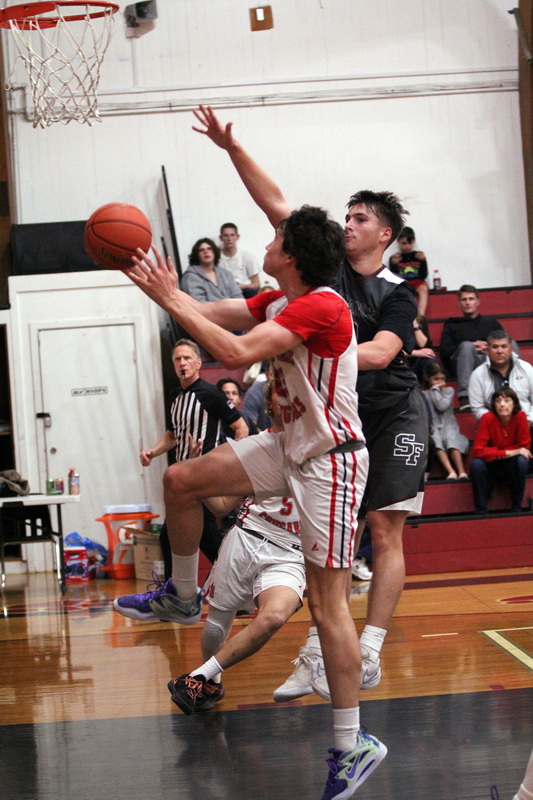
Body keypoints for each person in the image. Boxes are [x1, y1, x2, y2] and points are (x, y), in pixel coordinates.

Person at [119, 200, 386, 798]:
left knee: (328, 607)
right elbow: (213, 312)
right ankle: (182, 595)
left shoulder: (321, 305)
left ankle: (353, 744)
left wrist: (170, 298)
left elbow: (237, 352)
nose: (266, 243)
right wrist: (158, 289)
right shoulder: (280, 298)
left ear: (291, 257)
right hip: (287, 444)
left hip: (330, 461)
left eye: (275, 238)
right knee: (180, 480)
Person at [188, 106, 428, 710]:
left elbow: (383, 352)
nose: (348, 224)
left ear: (386, 235)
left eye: (360, 218)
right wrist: (231, 149)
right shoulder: (323, 268)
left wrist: (310, 343)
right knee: (333, 551)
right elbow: (275, 203)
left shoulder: (397, 292)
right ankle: (323, 651)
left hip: (393, 411)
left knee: (383, 528)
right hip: (338, 413)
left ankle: (368, 648)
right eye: (346, 215)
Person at [168, 381, 306, 714]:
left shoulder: (322, 447)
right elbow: (220, 506)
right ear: (270, 403)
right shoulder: (253, 448)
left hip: (291, 552)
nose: (287, 397)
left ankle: (199, 677)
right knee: (217, 623)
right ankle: (211, 683)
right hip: (247, 537)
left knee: (273, 617)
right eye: (280, 391)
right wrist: (198, 478)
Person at [113, 339, 248, 596]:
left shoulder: (211, 394)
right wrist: (152, 452)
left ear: (198, 363)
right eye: (178, 359)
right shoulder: (175, 397)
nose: (182, 363)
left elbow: (241, 428)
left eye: (187, 358)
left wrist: (227, 463)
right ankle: (227, 588)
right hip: (184, 479)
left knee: (182, 535)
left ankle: (184, 593)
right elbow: (172, 435)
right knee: (185, 536)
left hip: (205, 477)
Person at [439, 285, 503, 410]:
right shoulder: (452, 324)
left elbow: (505, 344)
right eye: (464, 299)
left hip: (487, 360)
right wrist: (471, 345)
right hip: (461, 364)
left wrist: (490, 348)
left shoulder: (491, 323)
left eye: (471, 299)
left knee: (510, 344)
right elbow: (444, 353)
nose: (467, 303)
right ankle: (465, 397)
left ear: (477, 302)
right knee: (467, 346)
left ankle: (513, 389)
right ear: (459, 303)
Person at [470, 387, 531, 514]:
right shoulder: (487, 418)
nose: (502, 404)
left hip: (510, 465)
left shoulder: (520, 416)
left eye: (507, 400)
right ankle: (481, 510)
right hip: (491, 464)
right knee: (476, 464)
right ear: (494, 405)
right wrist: (509, 452)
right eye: (498, 401)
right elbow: (478, 451)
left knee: (522, 461)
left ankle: (516, 507)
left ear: (514, 403)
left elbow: (524, 446)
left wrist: (495, 452)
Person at [468, 330, 533, 428]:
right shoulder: (477, 375)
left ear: (511, 349)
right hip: (493, 427)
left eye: (504, 346)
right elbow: (477, 408)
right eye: (495, 347)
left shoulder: (526, 368)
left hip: (527, 424)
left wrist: (528, 420)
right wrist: (495, 424)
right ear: (487, 350)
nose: (499, 351)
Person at [423, 361, 469, 480]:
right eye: (436, 379)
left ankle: (461, 471)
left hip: (448, 425)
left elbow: (441, 406)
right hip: (434, 426)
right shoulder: (424, 394)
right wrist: (434, 390)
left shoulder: (449, 391)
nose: (439, 382)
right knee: (436, 440)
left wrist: (435, 390)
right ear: (428, 378)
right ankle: (451, 471)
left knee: (450, 438)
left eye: (442, 379)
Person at [180, 237, 243, 302]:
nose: (206, 252)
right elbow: (198, 303)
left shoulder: (226, 274)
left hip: (232, 308)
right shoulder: (190, 277)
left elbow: (238, 297)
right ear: (196, 255)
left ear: (214, 252)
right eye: (201, 250)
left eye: (209, 249)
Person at [388, 226, 429, 316]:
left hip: (417, 282)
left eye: (409, 243)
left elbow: (424, 275)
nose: (407, 246)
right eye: (404, 243)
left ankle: (420, 316)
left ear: (413, 241)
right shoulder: (395, 258)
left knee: (424, 289)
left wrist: (423, 261)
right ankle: (410, 316)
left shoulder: (418, 256)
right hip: (403, 283)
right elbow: (392, 277)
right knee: (403, 293)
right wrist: (394, 264)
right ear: (398, 242)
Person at [219, 222, 261, 297]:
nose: (229, 239)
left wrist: (242, 286)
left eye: (232, 235)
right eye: (226, 235)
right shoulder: (215, 257)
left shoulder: (247, 256)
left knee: (250, 292)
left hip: (243, 290)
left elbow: (257, 284)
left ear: (237, 237)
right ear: (221, 238)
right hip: (223, 291)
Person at [409, 313, 437, 383]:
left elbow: (423, 345)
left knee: (429, 357)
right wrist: (417, 353)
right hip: (400, 362)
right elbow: (393, 352)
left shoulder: (420, 320)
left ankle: (430, 388)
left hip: (416, 363)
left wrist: (415, 324)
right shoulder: (394, 321)